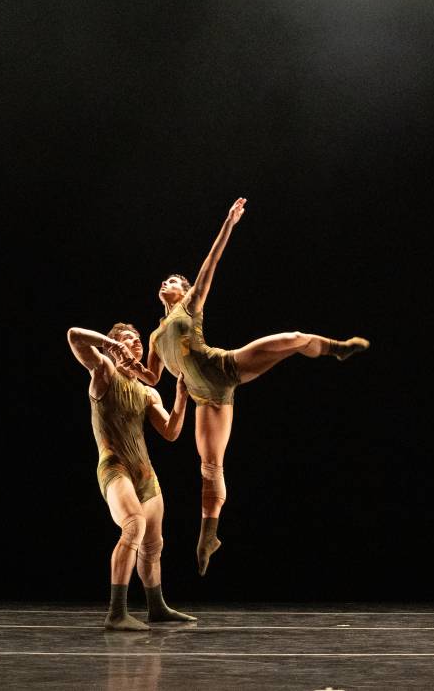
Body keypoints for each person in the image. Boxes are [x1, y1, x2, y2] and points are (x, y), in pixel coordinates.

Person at [136, 198, 370, 575]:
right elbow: (152, 378)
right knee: (210, 468)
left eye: (175, 281)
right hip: (205, 397)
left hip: (224, 366)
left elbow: (210, 263)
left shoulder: (190, 306)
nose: (167, 283)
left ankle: (335, 348)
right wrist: (132, 368)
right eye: (165, 281)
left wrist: (228, 223)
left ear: (186, 290)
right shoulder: (154, 336)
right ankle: (208, 535)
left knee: (292, 338)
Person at [67, 323, 196, 630]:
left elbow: (171, 432)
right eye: (128, 339)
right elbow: (74, 336)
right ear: (114, 345)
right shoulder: (104, 371)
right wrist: (109, 345)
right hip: (115, 467)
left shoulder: (148, 392)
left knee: (154, 545)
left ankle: (156, 607)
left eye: (138, 340)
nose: (135, 343)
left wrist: (180, 398)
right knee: (134, 524)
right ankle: (116, 612)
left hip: (144, 474)